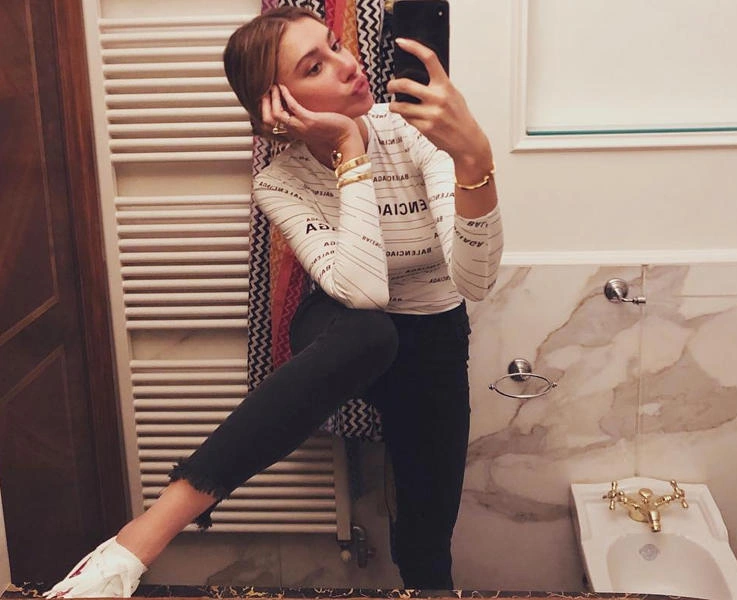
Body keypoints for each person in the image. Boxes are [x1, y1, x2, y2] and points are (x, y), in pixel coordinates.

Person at [44, 6, 502, 597]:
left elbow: (475, 282)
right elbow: (364, 294)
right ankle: (138, 542)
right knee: (370, 332)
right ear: (278, 108)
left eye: (335, 45)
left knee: (425, 539)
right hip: (343, 330)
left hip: (433, 339)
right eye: (315, 66)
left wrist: (474, 160)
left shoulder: (415, 129)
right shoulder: (279, 180)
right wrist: (349, 154)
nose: (347, 65)